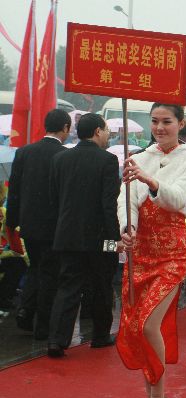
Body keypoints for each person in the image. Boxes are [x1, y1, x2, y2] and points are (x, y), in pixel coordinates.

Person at [116, 103, 186, 398]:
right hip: (139, 253)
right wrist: (128, 228)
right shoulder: (138, 158)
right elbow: (126, 201)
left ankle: (159, 395)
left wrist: (150, 180)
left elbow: (177, 198)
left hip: (171, 255)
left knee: (148, 324)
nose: (159, 128)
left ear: (180, 124)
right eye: (154, 121)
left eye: (166, 121)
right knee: (136, 326)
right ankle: (152, 393)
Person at [46, 113, 121, 358]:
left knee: (68, 286)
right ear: (98, 131)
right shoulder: (108, 160)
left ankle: (57, 340)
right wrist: (115, 241)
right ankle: (100, 335)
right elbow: (108, 205)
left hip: (67, 234)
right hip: (102, 237)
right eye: (106, 130)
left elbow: (54, 200)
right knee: (102, 285)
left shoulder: (60, 159)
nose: (108, 135)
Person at [6, 109, 70, 338]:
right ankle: (43, 325)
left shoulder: (24, 152)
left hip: (29, 224)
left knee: (35, 267)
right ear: (65, 128)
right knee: (50, 273)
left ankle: (25, 310)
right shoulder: (65, 156)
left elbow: (14, 190)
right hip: (55, 227)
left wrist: (11, 223)